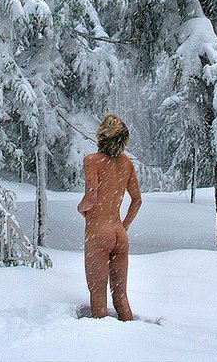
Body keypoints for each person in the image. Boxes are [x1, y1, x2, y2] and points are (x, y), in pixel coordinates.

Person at [77, 113, 142, 321]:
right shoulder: (126, 163)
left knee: (98, 296)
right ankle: (134, 333)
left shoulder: (92, 161)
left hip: (98, 234)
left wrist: (81, 209)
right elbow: (137, 200)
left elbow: (91, 197)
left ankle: (102, 339)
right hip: (119, 234)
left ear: (102, 136)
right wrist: (124, 225)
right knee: (121, 297)